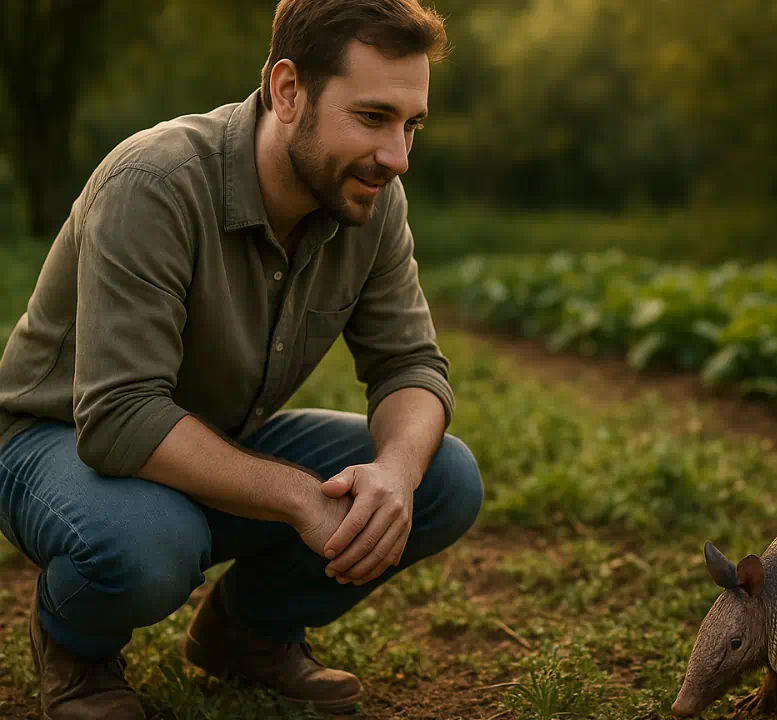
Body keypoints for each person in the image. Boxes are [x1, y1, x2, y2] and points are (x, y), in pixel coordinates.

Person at [0, 1, 484, 717]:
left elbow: (410, 364)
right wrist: (297, 501)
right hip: (55, 441)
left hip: (213, 435)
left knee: (442, 476)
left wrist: (393, 475)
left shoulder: (372, 198)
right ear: (288, 91)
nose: (397, 156)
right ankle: (77, 647)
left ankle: (245, 635)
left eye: (411, 125)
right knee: (148, 542)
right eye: (374, 117)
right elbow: (119, 416)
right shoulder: (154, 184)